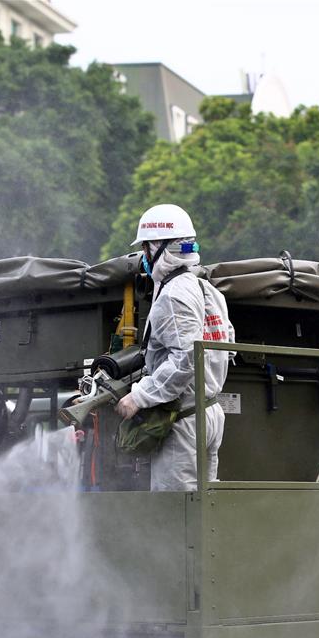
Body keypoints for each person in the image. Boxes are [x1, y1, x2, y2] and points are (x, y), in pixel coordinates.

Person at [114, 204, 235, 491]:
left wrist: (139, 396)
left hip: (185, 421)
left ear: (160, 247)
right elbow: (226, 346)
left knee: (176, 514)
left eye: (146, 248)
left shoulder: (173, 296)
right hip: (208, 413)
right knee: (206, 507)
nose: (144, 256)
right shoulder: (207, 290)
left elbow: (185, 361)